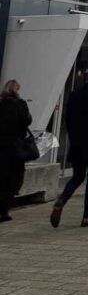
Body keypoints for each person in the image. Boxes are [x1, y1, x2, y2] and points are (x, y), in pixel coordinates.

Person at [50, 66, 88, 228]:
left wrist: (74, 138)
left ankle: (62, 199)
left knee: (77, 176)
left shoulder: (75, 94)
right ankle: (87, 217)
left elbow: (68, 120)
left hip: (78, 144)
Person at [0, 79, 32, 223]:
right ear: (17, 90)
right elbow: (27, 121)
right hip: (15, 148)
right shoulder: (20, 104)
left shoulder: (1, 103)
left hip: (1, 146)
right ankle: (3, 211)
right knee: (13, 179)